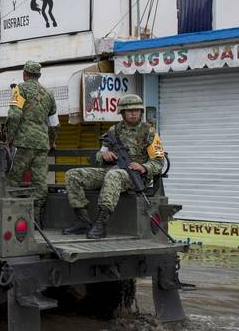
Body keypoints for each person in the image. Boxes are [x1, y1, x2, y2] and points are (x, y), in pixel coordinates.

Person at [63, 94, 165, 239]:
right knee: (73, 174)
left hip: (136, 176)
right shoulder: (113, 131)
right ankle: (83, 221)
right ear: (122, 112)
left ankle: (101, 223)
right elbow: (100, 155)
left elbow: (158, 162)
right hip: (113, 170)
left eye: (136, 110)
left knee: (113, 175)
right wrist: (105, 156)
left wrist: (144, 167)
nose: (133, 113)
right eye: (129, 110)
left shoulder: (149, 132)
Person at [6, 61, 59, 226]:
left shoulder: (19, 90)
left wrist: (9, 138)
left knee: (13, 180)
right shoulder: (49, 94)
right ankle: (36, 219)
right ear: (39, 75)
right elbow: (54, 123)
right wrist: (51, 141)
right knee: (40, 182)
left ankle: (12, 217)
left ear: (24, 74)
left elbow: (14, 116)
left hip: (23, 143)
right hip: (42, 144)